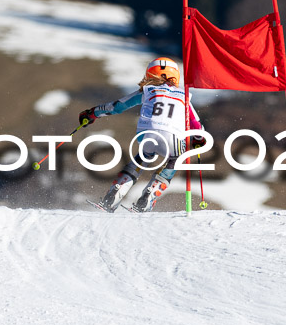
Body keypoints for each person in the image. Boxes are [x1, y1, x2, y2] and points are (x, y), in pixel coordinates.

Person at [79, 57, 205, 212]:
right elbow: (197, 126)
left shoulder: (147, 91)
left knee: (141, 158)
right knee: (174, 159)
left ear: (150, 74)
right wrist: (199, 140)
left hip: (147, 133)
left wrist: (92, 113)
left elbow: (116, 107)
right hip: (173, 137)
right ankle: (148, 197)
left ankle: (112, 196)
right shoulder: (183, 96)